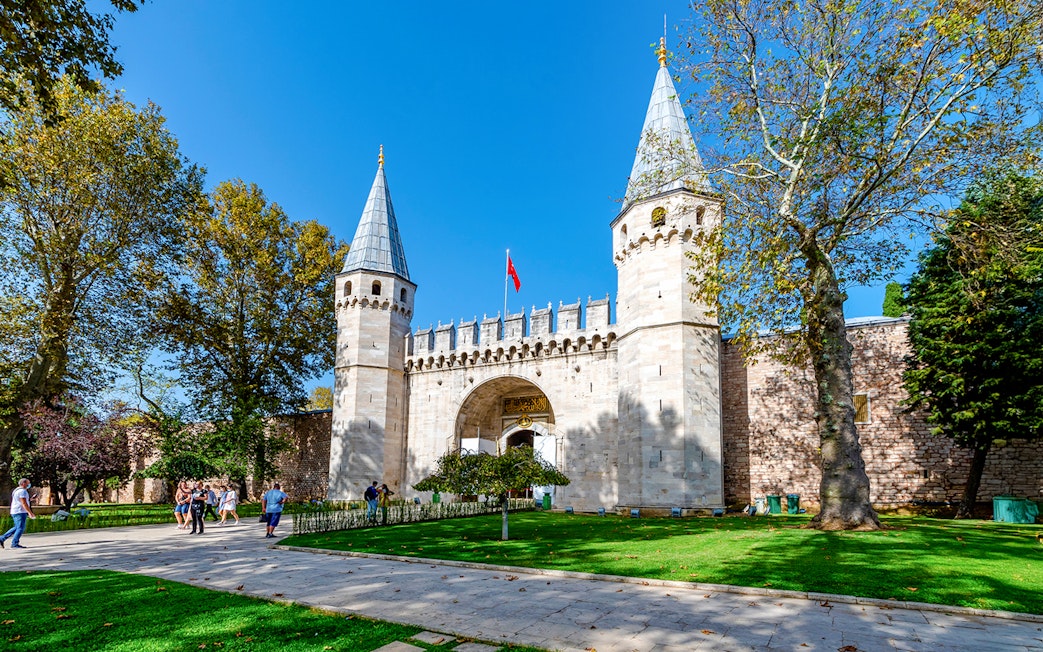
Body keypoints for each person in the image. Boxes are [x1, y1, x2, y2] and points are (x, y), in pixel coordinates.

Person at [0, 478, 36, 549]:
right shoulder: (22, 491)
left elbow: (22, 501)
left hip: (16, 511)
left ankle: (2, 538)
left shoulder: (17, 490)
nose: (29, 485)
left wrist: (30, 499)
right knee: (20, 528)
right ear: (23, 483)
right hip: (20, 511)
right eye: (28, 483)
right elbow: (24, 503)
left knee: (17, 527)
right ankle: (14, 543)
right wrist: (30, 512)